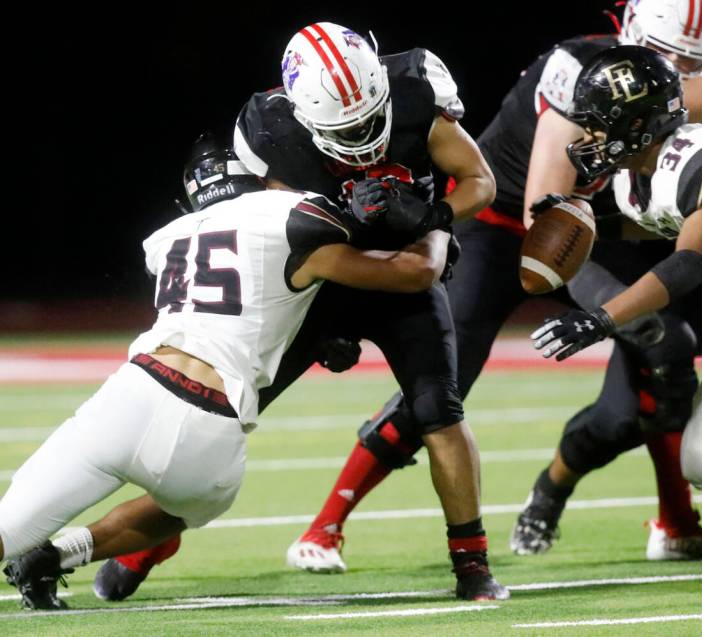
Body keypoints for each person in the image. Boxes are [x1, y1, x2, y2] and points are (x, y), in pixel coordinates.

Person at [282, 0, 702, 570]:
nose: (683, 75)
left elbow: (642, 213)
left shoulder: (678, 92)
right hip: (506, 226)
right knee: (440, 382)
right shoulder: (580, 73)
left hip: (594, 229)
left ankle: (675, 522)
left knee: (664, 357)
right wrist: (600, 310)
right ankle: (326, 526)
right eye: (674, 56)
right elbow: (544, 226)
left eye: (695, 62)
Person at [94, 21, 508, 602]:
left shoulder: (414, 88)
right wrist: (319, 324)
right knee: (226, 414)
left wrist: (434, 217)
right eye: (346, 126)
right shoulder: (272, 130)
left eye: (369, 116)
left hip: (405, 270)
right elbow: (277, 239)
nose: (363, 133)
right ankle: (151, 540)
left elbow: (480, 181)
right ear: (306, 114)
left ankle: (472, 564)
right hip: (321, 283)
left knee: (440, 408)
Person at [0, 135, 451, 610]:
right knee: (178, 511)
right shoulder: (290, 214)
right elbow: (406, 270)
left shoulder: (167, 237)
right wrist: (435, 228)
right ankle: (58, 555)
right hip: (210, 436)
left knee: (8, 527)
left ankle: (36, 548)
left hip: (131, 396)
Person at [531, 44, 702, 492]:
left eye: (597, 126)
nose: (587, 138)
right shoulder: (636, 180)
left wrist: (602, 319)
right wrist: (584, 224)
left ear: (636, 124)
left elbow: (689, 263)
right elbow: (661, 221)